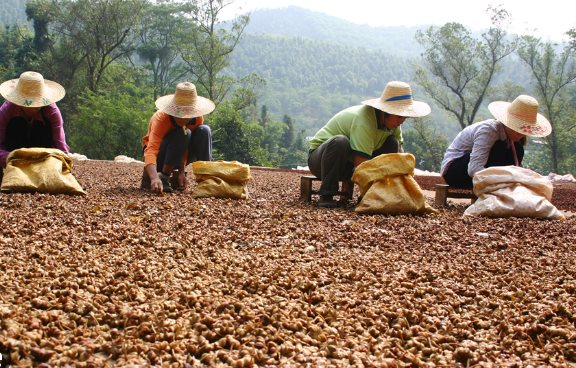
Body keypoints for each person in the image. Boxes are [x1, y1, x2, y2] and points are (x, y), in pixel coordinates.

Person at [307, 81, 431, 208]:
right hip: (322, 161)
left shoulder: (394, 124)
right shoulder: (364, 121)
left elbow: (399, 156)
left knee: (392, 143)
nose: (402, 121)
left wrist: (402, 187)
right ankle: (327, 194)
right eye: (399, 117)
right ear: (385, 112)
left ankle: (377, 193)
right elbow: (361, 165)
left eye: (404, 118)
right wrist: (369, 195)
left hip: (347, 165)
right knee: (340, 141)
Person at [440, 94, 551, 189]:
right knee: (498, 148)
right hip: (455, 172)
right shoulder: (489, 131)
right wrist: (504, 180)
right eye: (517, 128)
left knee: (517, 149)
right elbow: (473, 169)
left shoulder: (514, 144)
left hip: (480, 175)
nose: (520, 133)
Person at [141, 82, 215, 193]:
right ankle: (164, 176)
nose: (185, 119)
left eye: (188, 115)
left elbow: (186, 144)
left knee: (204, 130)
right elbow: (151, 150)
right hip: (161, 155)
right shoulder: (161, 119)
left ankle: (206, 180)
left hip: (180, 154)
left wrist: (181, 171)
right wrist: (154, 178)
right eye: (181, 114)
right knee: (183, 132)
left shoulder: (197, 118)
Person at [0, 71, 69, 178]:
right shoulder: (7, 110)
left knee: (39, 128)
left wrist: (62, 167)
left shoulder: (52, 112)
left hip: (42, 159)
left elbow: (61, 148)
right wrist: (11, 158)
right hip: (14, 158)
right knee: (17, 123)